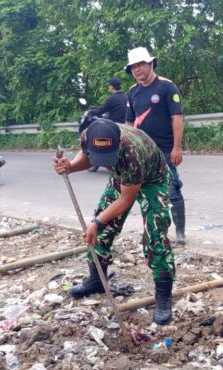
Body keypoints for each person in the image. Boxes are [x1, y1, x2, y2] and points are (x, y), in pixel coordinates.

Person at [54, 118, 175, 325]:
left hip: (153, 179)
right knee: (101, 230)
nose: (105, 163)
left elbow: (126, 199)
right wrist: (70, 166)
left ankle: (163, 295)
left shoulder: (132, 152)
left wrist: (96, 222)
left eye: (109, 156)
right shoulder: (88, 136)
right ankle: (97, 280)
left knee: (155, 235)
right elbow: (87, 158)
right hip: (122, 177)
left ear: (119, 143)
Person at [125, 47, 187, 245]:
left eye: (140, 64)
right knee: (148, 191)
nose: (137, 70)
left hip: (165, 151)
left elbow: (177, 117)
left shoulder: (167, 87)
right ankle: (156, 232)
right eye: (133, 67)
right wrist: (127, 148)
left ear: (151, 64)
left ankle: (180, 232)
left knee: (172, 189)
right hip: (143, 152)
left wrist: (177, 148)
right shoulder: (133, 92)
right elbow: (129, 123)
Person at [86, 77, 128, 172]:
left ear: (112, 87)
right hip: (125, 125)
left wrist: (89, 112)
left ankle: (96, 161)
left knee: (98, 135)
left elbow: (101, 110)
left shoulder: (112, 98)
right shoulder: (126, 97)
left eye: (109, 86)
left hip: (114, 125)